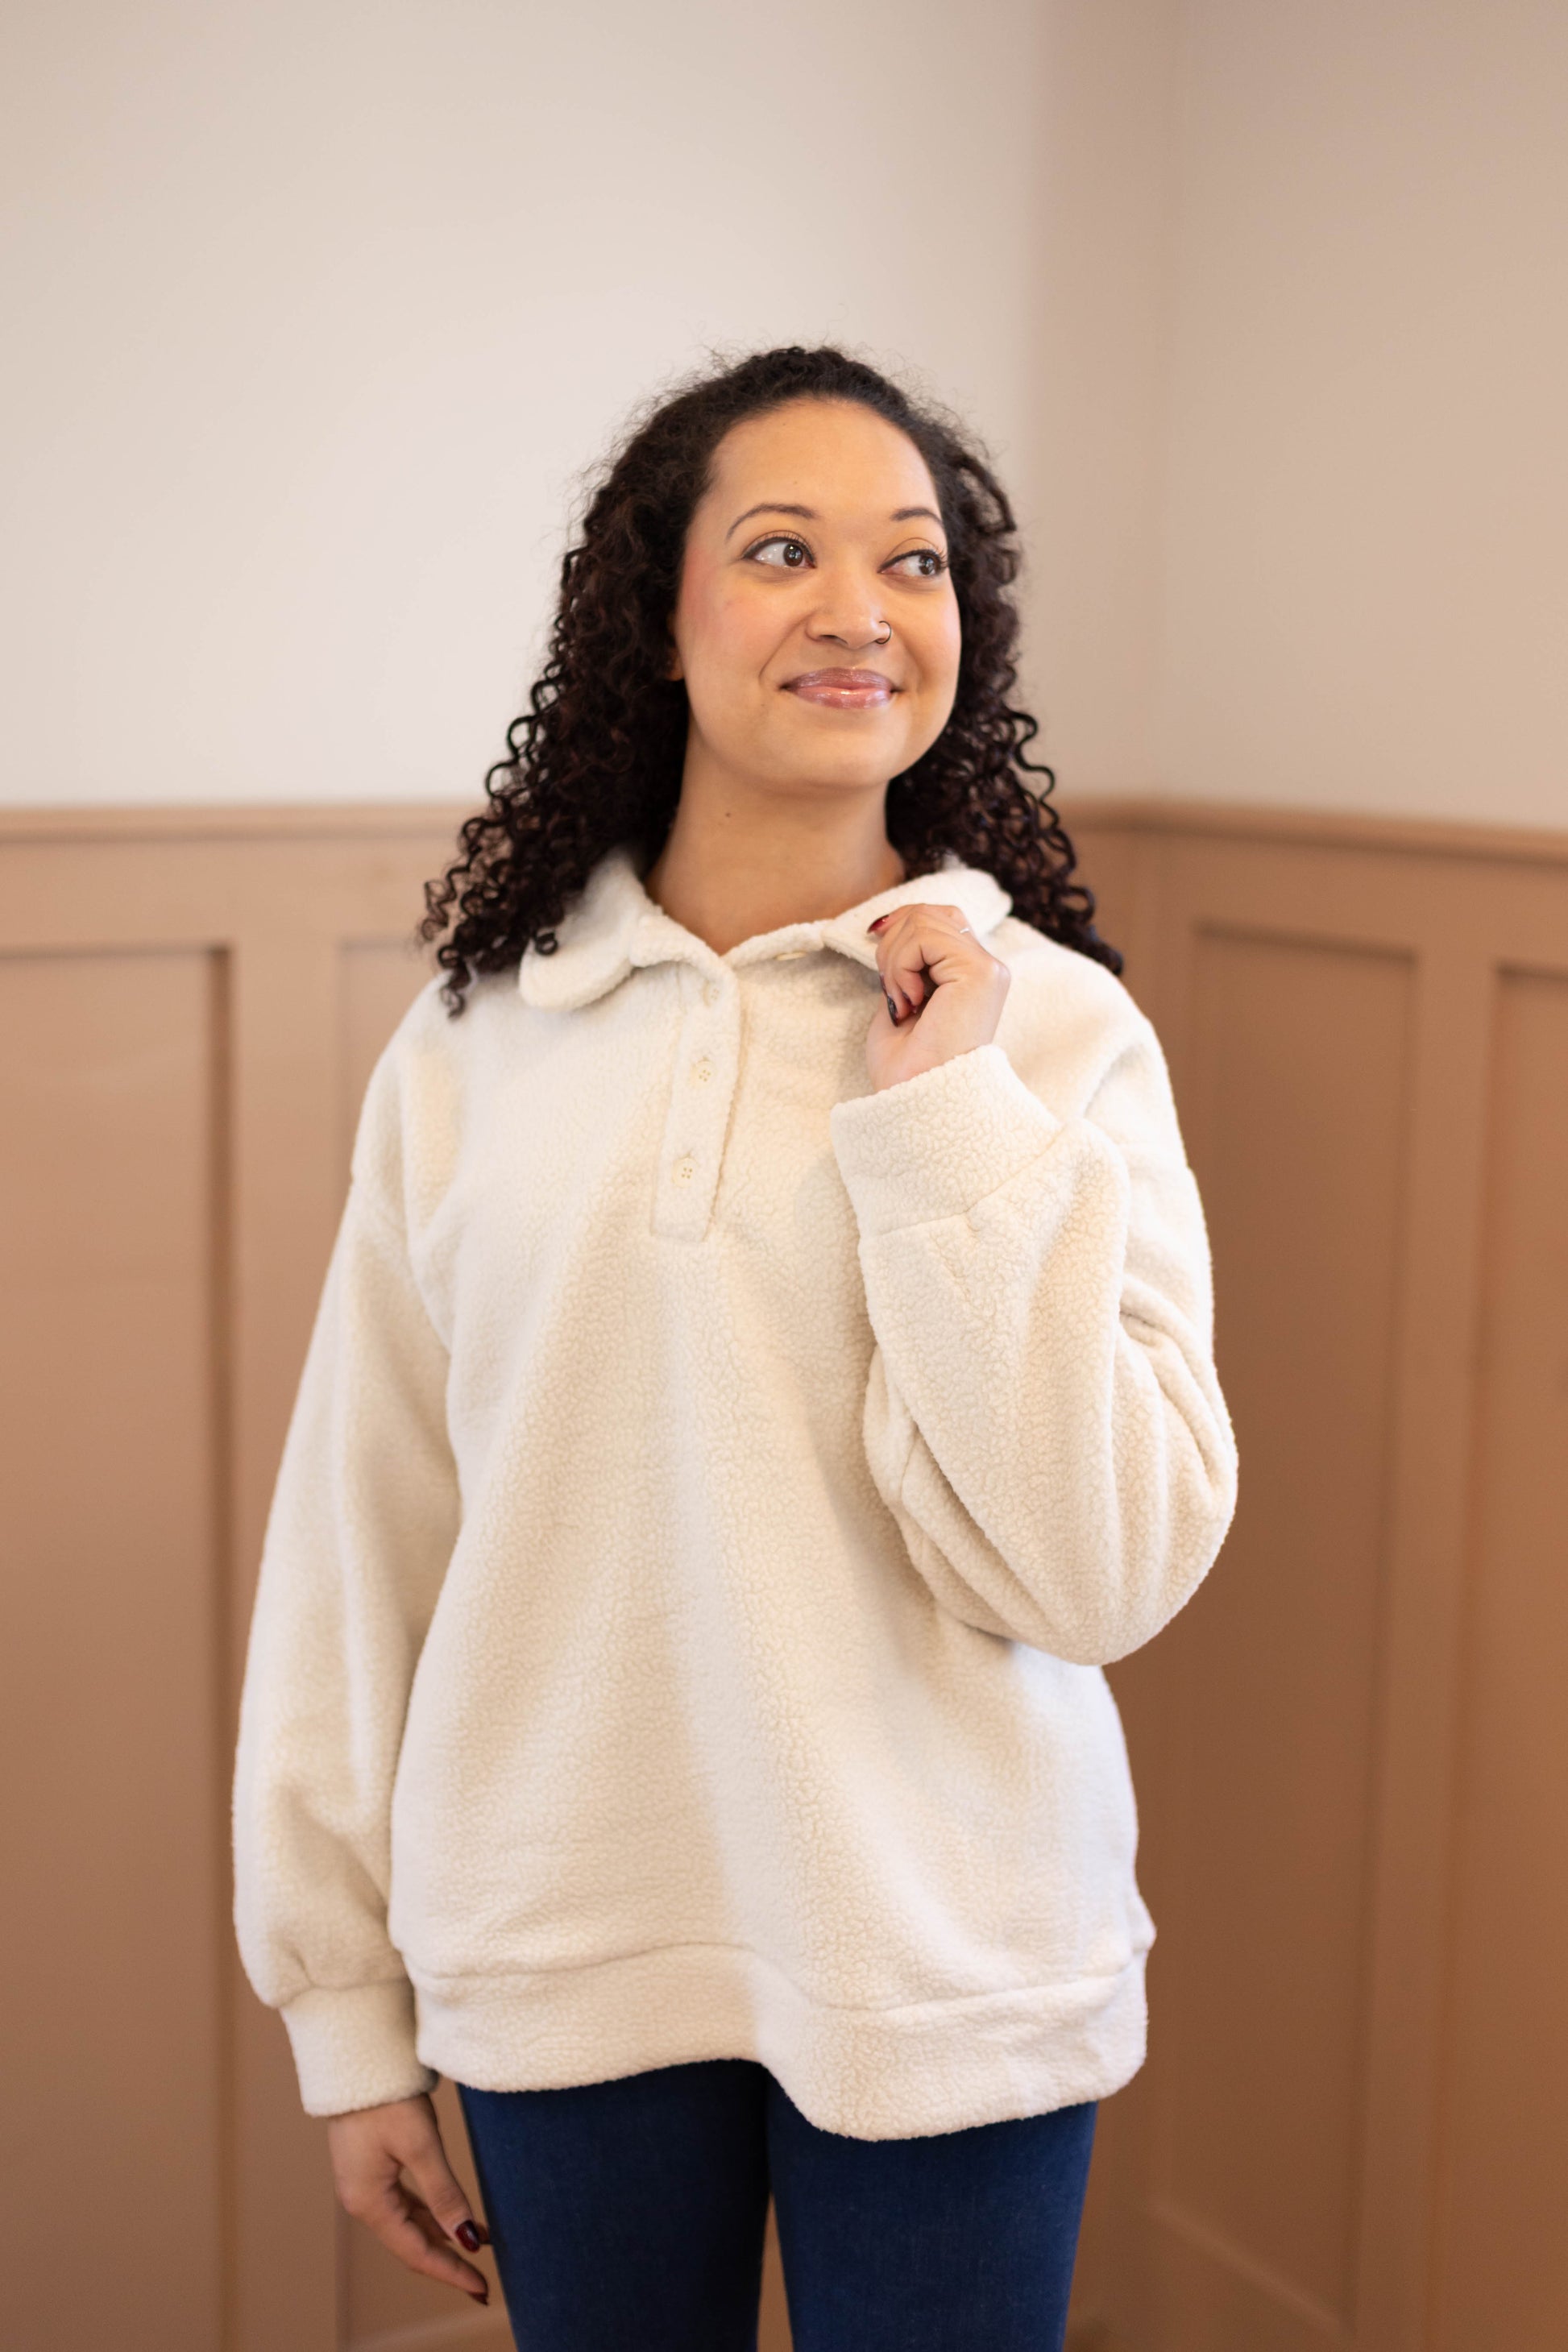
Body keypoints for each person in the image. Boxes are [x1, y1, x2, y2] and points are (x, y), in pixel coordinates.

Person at [231, 344, 1238, 2350]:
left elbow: (1100, 1568)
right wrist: (346, 2009)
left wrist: (942, 1113)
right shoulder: (475, 1042)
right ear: (658, 622)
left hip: (950, 1962)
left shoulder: (1051, 1033)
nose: (862, 610)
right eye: (782, 550)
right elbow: (368, 1525)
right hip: (557, 1944)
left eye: (915, 561)